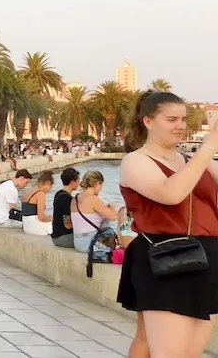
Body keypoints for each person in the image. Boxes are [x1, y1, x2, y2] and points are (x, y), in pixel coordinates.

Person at [118, 90, 218, 358]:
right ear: (148, 122)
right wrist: (208, 146)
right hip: (166, 259)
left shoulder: (192, 161)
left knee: (189, 353)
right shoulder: (135, 161)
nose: (181, 126)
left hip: (206, 259)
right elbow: (171, 194)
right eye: (172, 119)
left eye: (184, 119)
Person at [72, 170, 123, 253]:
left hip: (77, 242)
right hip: (90, 243)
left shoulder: (75, 198)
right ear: (97, 183)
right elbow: (113, 217)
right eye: (101, 184)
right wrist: (112, 208)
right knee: (115, 217)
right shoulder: (93, 199)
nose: (101, 188)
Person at [51, 167, 80, 248]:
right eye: (77, 181)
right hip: (63, 238)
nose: (79, 183)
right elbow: (68, 225)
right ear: (72, 182)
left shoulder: (58, 194)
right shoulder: (67, 199)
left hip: (56, 235)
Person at [21, 171, 54, 236]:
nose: (49, 190)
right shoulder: (40, 194)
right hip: (35, 227)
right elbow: (41, 217)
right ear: (48, 183)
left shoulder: (29, 191)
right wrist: (52, 219)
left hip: (26, 226)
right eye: (51, 187)